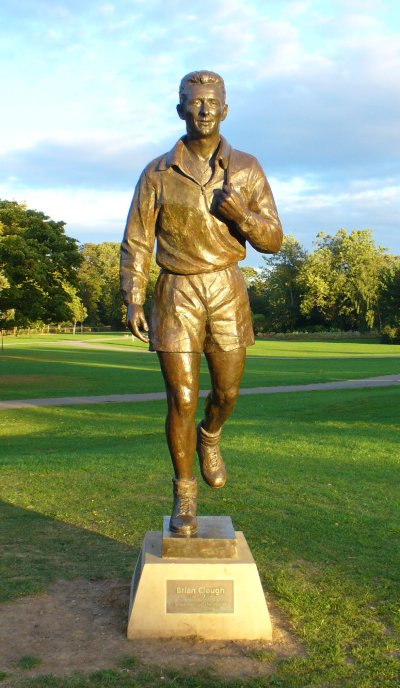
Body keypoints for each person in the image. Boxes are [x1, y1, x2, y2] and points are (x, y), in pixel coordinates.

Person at [120, 70, 282, 537]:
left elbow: (274, 238)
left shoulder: (246, 168)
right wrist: (133, 298)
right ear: (180, 109)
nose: (204, 109)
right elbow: (136, 240)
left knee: (226, 393)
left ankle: (210, 436)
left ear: (225, 109)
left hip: (227, 288)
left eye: (212, 101)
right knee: (182, 398)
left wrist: (241, 215)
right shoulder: (157, 172)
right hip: (176, 291)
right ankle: (184, 493)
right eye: (195, 102)